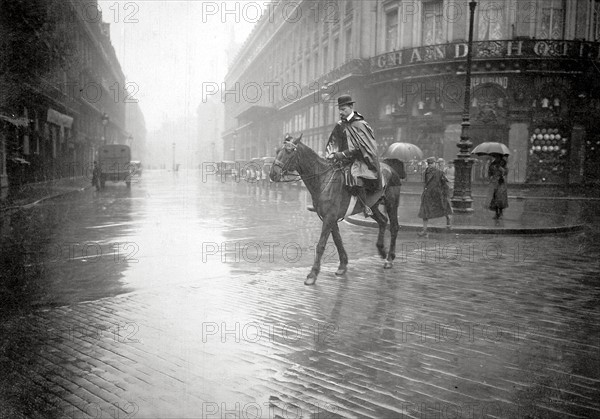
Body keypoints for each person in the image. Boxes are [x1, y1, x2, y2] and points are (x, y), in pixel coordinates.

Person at [325, 94, 381, 217]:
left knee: (355, 176)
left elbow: (362, 147)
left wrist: (343, 154)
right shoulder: (340, 125)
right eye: (340, 110)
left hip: (360, 159)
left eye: (343, 109)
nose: (341, 112)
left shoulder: (360, 124)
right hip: (342, 159)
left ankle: (364, 205)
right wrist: (331, 153)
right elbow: (333, 141)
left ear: (351, 107)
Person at [417, 157, 453, 237]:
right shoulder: (426, 172)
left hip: (437, 195)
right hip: (428, 194)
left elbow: (444, 184)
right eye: (429, 164)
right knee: (424, 212)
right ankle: (424, 230)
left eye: (431, 163)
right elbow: (425, 183)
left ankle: (448, 221)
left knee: (444, 208)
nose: (430, 165)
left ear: (434, 163)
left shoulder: (439, 172)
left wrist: (446, 194)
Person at [488, 154, 508, 219]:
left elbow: (506, 172)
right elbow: (490, 172)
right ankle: (496, 213)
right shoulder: (493, 164)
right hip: (494, 182)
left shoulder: (503, 164)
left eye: (497, 157)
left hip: (501, 182)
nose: (496, 158)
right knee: (495, 197)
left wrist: (500, 168)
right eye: (495, 157)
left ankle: (501, 212)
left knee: (501, 197)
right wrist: (491, 176)